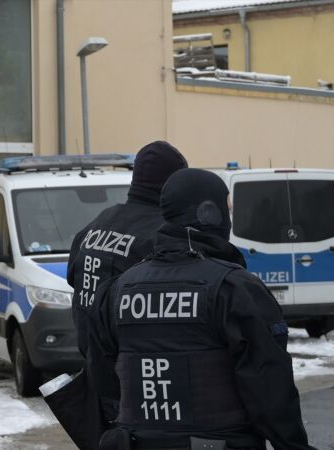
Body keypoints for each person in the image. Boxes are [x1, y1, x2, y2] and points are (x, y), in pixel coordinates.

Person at [91, 168, 313, 450]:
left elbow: (103, 380)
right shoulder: (234, 288)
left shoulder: (117, 290)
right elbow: (270, 389)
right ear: (209, 213)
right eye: (226, 209)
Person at [51, 141, 187, 450]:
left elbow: (74, 280)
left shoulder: (95, 226)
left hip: (97, 379)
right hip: (141, 389)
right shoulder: (160, 235)